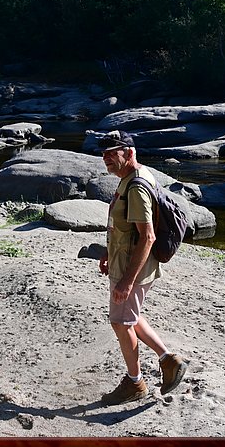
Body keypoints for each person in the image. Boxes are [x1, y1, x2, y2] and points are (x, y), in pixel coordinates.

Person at [96, 129, 188, 405]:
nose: (107, 158)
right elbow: (127, 229)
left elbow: (147, 236)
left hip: (132, 267)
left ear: (130, 153)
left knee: (120, 322)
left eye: (114, 153)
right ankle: (168, 360)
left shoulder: (136, 187)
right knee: (131, 317)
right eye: (104, 154)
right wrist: (107, 251)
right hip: (126, 260)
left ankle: (135, 383)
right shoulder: (134, 176)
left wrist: (126, 281)